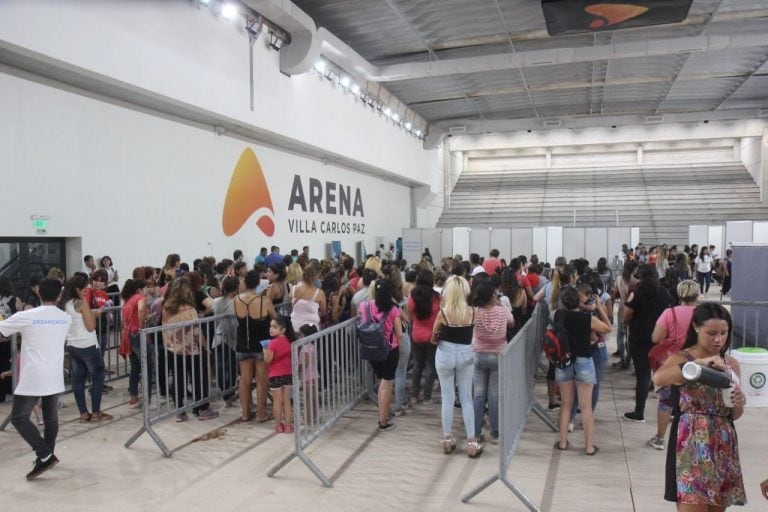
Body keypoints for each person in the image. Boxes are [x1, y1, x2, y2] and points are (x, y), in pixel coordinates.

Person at [653, 302, 746, 509]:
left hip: (723, 442)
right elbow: (659, 378)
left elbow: (734, 414)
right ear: (696, 327)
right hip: (691, 442)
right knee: (691, 503)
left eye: (723, 333)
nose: (718, 339)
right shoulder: (683, 358)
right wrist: (698, 364)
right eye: (711, 333)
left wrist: (738, 402)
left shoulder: (731, 364)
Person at [0, 278, 71, 480]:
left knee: (19, 418)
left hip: (33, 374)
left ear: (39, 293)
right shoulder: (65, 318)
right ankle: (47, 454)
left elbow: (2, 329)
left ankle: (45, 454)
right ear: (59, 296)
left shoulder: (27, 316)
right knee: (51, 418)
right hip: (54, 373)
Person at [554, 287, 611, 455]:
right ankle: (588, 446)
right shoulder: (588, 319)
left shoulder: (558, 315)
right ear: (579, 302)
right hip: (584, 362)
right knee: (586, 407)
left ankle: (563, 442)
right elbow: (608, 328)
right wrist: (599, 307)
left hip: (564, 361)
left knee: (565, 404)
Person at [432, 275, 481, 457]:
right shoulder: (473, 312)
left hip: (445, 353)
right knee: (466, 397)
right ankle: (471, 440)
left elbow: (433, 336)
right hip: (466, 353)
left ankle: (447, 438)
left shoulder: (443, 313)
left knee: (447, 397)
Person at [647, 280, 699, 450]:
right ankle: (693, 440)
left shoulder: (669, 313)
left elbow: (655, 338)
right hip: (698, 361)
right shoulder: (702, 314)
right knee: (695, 401)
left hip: (672, 361)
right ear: (697, 295)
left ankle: (660, 438)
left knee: (666, 401)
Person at [163, 278, 219, 422]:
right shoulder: (190, 309)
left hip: (173, 349)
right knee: (198, 378)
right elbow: (196, 332)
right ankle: (202, 409)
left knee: (178, 379)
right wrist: (206, 346)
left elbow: (164, 328)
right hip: (191, 350)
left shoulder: (167, 307)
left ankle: (180, 411)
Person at [58, 276, 112, 423]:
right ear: (77, 289)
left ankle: (83, 413)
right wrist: (93, 316)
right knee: (98, 376)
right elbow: (90, 327)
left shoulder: (63, 304)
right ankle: (96, 412)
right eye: (83, 289)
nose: (85, 291)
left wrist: (89, 313)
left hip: (72, 345)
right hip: (87, 345)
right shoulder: (81, 303)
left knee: (78, 380)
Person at [623, 264, 671, 423]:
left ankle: (639, 412)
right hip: (659, 337)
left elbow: (627, 316)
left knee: (642, 375)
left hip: (639, 337)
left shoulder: (636, 293)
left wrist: (627, 323)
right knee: (664, 374)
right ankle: (670, 409)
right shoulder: (664, 293)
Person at [471, 278, 514, 446]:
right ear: (492, 295)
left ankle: (475, 432)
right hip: (498, 355)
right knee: (495, 394)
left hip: (479, 354)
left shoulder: (475, 311)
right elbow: (511, 322)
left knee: (479, 394)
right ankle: (495, 433)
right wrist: (499, 304)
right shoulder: (502, 311)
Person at [360, 279, 402, 431]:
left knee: (381, 384)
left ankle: (382, 414)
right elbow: (399, 333)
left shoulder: (364, 306)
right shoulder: (393, 310)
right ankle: (383, 422)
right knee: (386, 385)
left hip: (371, 350)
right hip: (390, 350)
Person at [235, 270, 276, 422]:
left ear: (245, 282)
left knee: (244, 380)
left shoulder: (236, 299)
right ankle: (261, 414)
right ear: (259, 283)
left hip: (242, 344)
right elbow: (275, 318)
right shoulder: (264, 301)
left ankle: (245, 413)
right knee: (261, 380)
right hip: (261, 345)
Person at [407, 270, 440, 404]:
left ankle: (414, 395)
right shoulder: (437, 297)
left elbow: (409, 317)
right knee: (431, 366)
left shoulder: (412, 296)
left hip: (417, 334)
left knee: (418, 365)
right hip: (433, 335)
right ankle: (427, 395)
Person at [264, 316, 296, 433]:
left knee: (277, 401)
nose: (271, 329)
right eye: (270, 326)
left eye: (274, 327)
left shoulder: (272, 344)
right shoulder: (289, 341)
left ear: (282, 329)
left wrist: (265, 351)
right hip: (288, 373)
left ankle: (278, 425)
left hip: (275, 374)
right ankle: (288, 425)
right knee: (287, 400)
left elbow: (268, 360)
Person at [119, 278, 149, 409]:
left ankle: (133, 398)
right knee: (147, 367)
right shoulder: (139, 297)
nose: (147, 290)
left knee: (135, 368)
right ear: (139, 289)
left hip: (127, 335)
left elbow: (122, 320)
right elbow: (141, 310)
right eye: (145, 288)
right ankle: (147, 399)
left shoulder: (127, 300)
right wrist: (142, 328)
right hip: (137, 335)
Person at [212, 276, 239, 408]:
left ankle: (225, 393)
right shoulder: (236, 302)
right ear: (235, 289)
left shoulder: (216, 301)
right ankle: (229, 392)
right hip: (232, 338)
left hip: (218, 336)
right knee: (232, 367)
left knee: (221, 366)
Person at [290, 263, 326, 333]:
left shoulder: (294, 288)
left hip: (293, 327)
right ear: (317, 276)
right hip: (310, 331)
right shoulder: (320, 293)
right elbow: (324, 312)